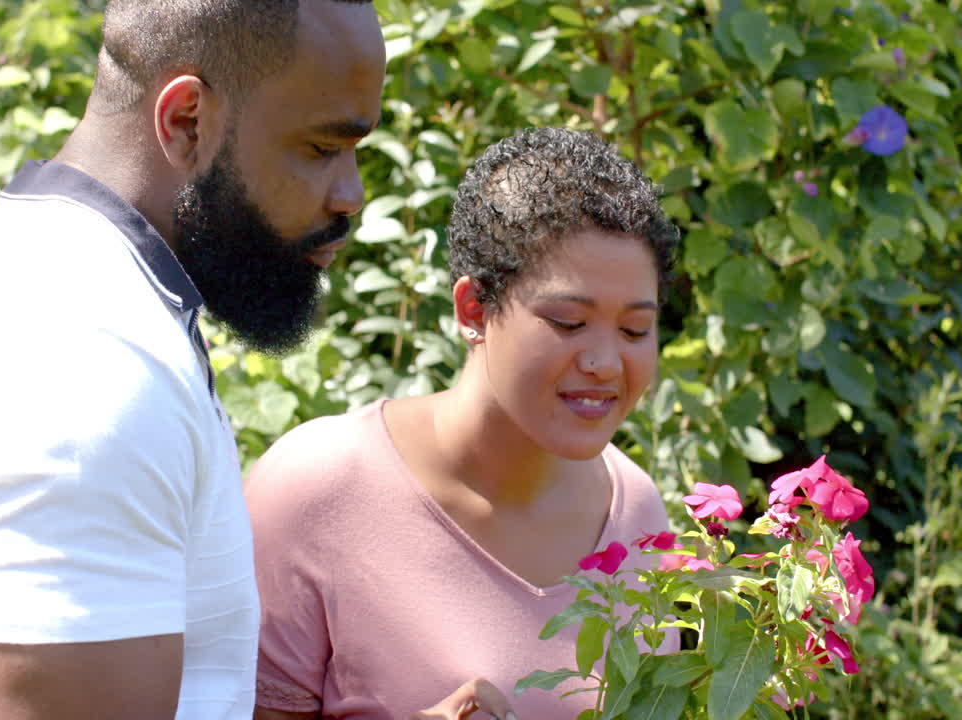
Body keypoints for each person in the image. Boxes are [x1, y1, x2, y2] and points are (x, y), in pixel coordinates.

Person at [0, 1, 384, 718]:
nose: (353, 195)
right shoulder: (83, 372)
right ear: (186, 121)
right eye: (321, 148)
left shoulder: (79, 290)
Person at [246, 127, 682, 720]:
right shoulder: (315, 489)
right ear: (473, 309)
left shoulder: (634, 512)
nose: (605, 362)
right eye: (568, 322)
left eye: (635, 330)